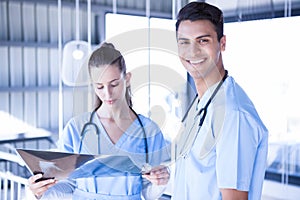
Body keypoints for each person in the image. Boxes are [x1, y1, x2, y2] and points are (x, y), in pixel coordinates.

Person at [28, 42, 170, 200]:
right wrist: (39, 192)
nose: (108, 94)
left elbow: (148, 194)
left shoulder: (149, 130)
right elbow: (68, 186)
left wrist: (161, 182)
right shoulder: (77, 128)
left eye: (114, 84)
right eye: (100, 87)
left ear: (127, 79)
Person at [172, 2, 268, 200]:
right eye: (184, 42)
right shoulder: (201, 105)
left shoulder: (233, 114)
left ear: (222, 43)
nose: (192, 52)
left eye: (203, 41)